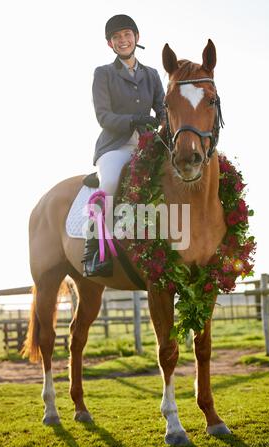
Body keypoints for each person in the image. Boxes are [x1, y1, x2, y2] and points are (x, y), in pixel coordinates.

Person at [82, 14, 165, 277]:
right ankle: (93, 250)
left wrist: (164, 123)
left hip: (148, 146)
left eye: (127, 35)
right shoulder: (103, 74)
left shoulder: (151, 75)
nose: (123, 40)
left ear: (136, 38)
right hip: (114, 148)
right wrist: (134, 120)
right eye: (116, 37)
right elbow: (103, 116)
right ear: (111, 44)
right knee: (108, 184)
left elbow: (164, 109)